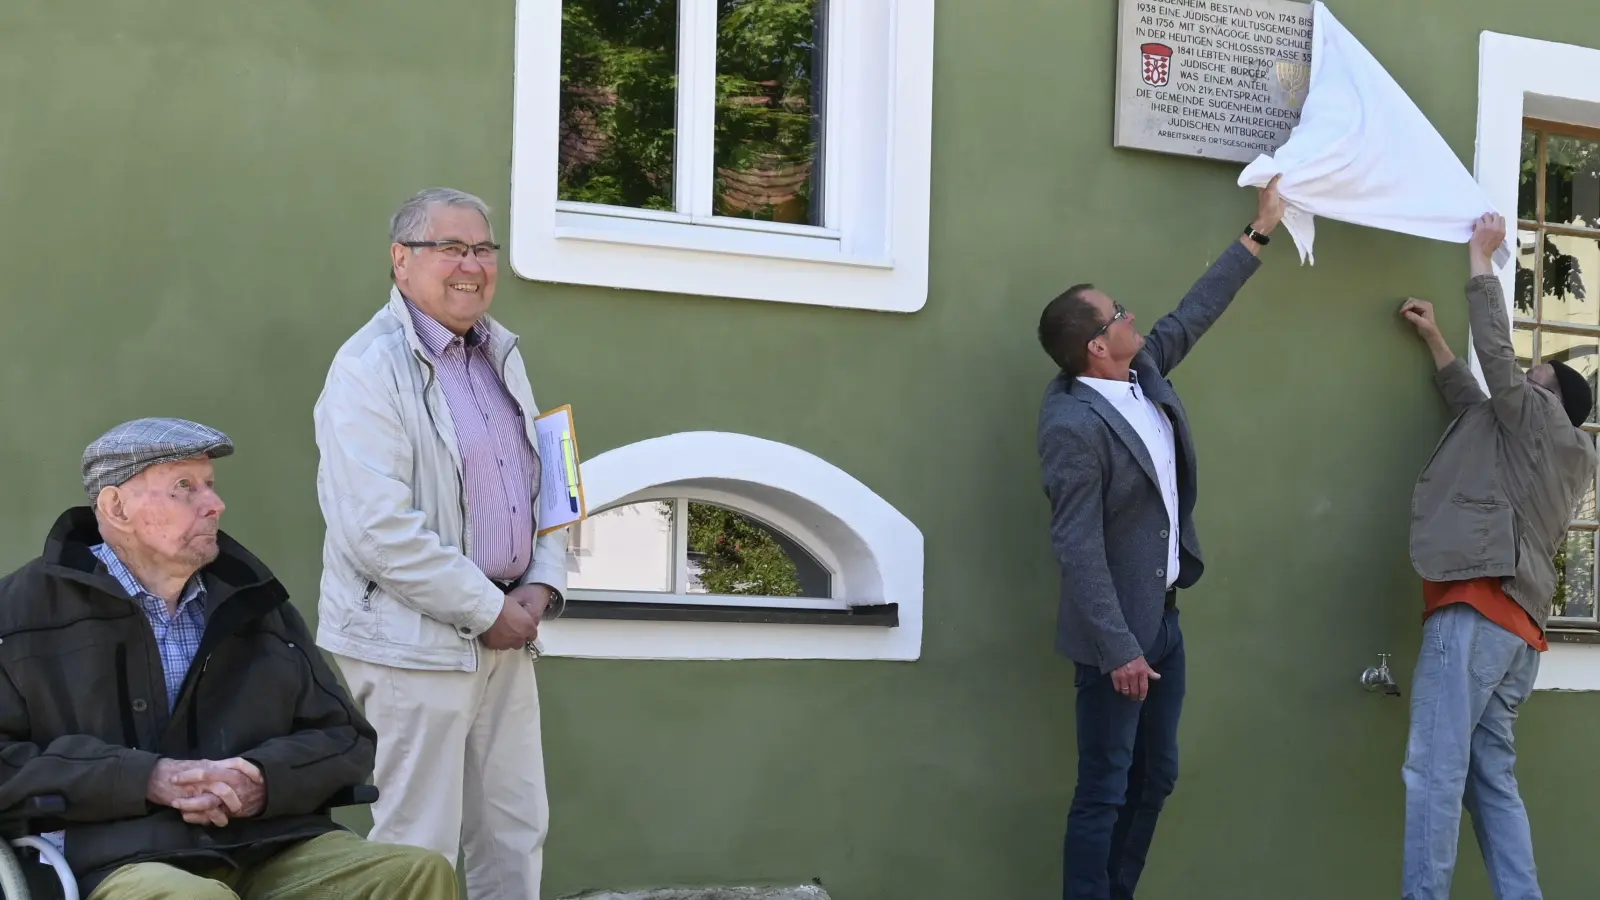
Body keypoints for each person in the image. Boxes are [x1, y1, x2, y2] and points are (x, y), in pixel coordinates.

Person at [0, 417, 457, 900]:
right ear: (116, 507)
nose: (215, 504)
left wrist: (264, 780)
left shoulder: (253, 601)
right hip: (115, 855)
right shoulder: (20, 612)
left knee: (414, 872)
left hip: (264, 843)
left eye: (210, 486)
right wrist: (144, 779)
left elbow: (344, 739)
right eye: (184, 488)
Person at [312, 187, 569, 900]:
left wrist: (541, 585)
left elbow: (545, 483)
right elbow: (376, 530)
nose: (472, 265)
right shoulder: (367, 369)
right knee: (415, 844)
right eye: (450, 248)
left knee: (515, 828)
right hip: (411, 642)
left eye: (483, 248)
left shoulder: (499, 351)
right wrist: (488, 610)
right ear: (402, 261)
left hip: (508, 633)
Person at [1035, 177, 1284, 900]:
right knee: (1104, 788)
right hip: (1119, 640)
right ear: (1095, 346)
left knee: (1157, 777)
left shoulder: (1140, 371)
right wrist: (1120, 650)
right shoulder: (1073, 428)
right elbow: (1076, 547)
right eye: (1118, 314)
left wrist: (1259, 230)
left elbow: (1193, 313)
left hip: (1165, 619)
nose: (1132, 315)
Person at [1397, 212, 1596, 900]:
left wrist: (1480, 261)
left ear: (1548, 398)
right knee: (1491, 779)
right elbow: (1478, 405)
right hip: (1518, 636)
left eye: (1534, 374)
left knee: (1435, 770)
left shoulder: (1541, 416)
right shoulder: (1553, 449)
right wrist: (1434, 341)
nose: (1522, 376)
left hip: (1478, 611)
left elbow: (1500, 367)